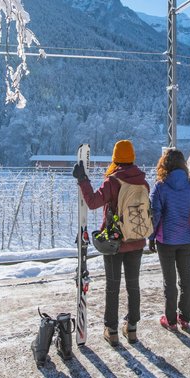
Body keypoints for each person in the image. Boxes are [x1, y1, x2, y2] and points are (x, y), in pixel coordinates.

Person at [73, 140, 149, 346]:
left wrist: (83, 180)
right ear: (132, 157)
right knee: (134, 286)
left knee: (112, 287)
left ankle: (112, 330)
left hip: (115, 242)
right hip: (137, 239)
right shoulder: (143, 181)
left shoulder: (113, 181)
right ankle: (132, 328)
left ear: (115, 157)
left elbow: (93, 202)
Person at [149, 148, 190, 331]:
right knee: (186, 280)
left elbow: (155, 215)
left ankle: (171, 320)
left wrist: (151, 237)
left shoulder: (160, 186)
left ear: (164, 164)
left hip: (166, 241)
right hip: (186, 240)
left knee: (170, 281)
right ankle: (185, 318)